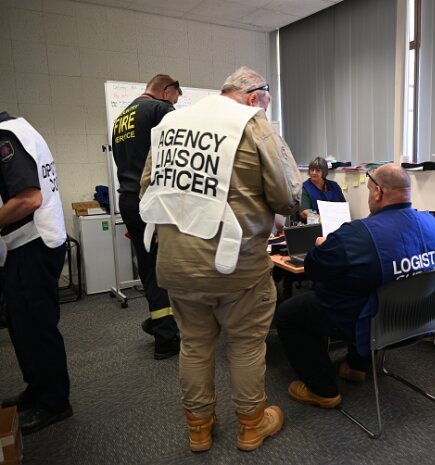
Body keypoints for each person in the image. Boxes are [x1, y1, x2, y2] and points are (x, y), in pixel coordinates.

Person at [139, 67, 301, 452]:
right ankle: (250, 424)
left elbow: (148, 189)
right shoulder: (253, 124)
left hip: (177, 264)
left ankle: (199, 428)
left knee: (194, 345)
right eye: (265, 101)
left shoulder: (171, 123)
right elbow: (288, 196)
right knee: (245, 345)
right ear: (254, 96)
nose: (265, 107)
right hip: (236, 265)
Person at [276, 163, 435, 408]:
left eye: (369, 190)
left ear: (378, 192)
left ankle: (323, 390)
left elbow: (314, 269)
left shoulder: (357, 235)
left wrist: (322, 245)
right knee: (366, 287)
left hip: (370, 323)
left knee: (289, 313)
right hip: (418, 322)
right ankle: (356, 367)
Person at [0, 112, 73, 434]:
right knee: (21, 324)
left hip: (33, 243)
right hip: (24, 244)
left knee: (37, 326)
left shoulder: (5, 137)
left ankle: (55, 402)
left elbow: (29, 198)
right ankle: (37, 389)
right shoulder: (19, 128)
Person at [112, 74, 182, 360]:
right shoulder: (159, 109)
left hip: (129, 200)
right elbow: (179, 152)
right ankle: (166, 336)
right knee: (168, 267)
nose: (175, 104)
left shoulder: (122, 117)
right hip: (154, 201)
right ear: (166, 92)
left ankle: (159, 322)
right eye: (176, 98)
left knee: (148, 266)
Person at [299, 156, 346, 221]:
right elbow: (305, 212)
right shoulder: (305, 188)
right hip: (315, 225)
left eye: (317, 170)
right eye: (312, 170)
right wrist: (324, 220)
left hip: (336, 222)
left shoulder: (334, 186)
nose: (314, 172)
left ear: (324, 172)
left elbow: (343, 208)